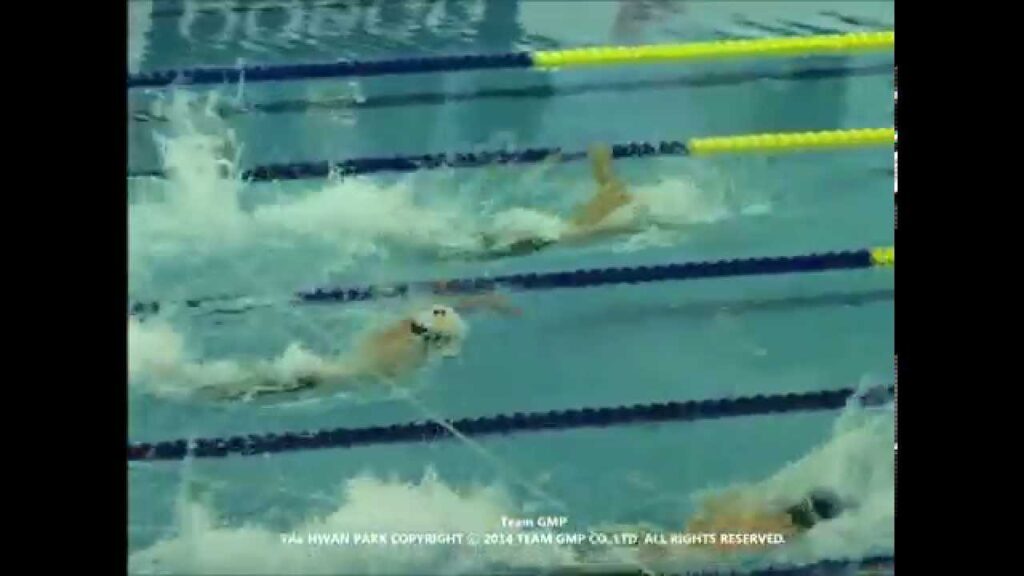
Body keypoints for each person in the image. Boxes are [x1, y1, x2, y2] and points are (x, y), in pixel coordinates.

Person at [195, 294, 517, 402]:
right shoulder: (405, 351)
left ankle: (201, 381)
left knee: (245, 381)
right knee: (236, 389)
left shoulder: (401, 331)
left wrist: (480, 302)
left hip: (316, 368)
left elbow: (430, 315)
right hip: (316, 377)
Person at [469, 143, 648, 259]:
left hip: (534, 230)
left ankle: (604, 168)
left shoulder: (563, 230)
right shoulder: (567, 231)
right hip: (541, 231)